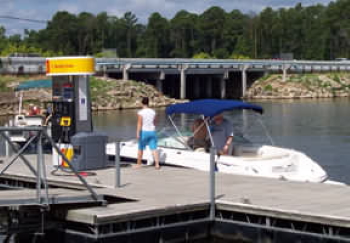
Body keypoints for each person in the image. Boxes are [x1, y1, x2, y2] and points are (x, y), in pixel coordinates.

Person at [135, 97, 160, 169]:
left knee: (140, 148)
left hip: (144, 132)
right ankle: (157, 164)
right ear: (148, 103)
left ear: (142, 103)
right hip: (152, 131)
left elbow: (139, 123)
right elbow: (155, 122)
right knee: (154, 148)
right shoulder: (153, 112)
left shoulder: (140, 112)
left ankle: (138, 164)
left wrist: (137, 133)